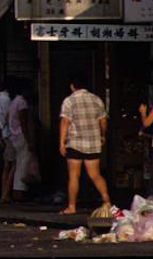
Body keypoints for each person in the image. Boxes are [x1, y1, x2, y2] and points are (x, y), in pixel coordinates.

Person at [59, 77, 111, 215]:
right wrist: (102, 135)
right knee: (95, 174)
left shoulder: (69, 101)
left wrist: (61, 142)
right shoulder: (96, 100)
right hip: (93, 143)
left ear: (72, 86)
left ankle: (71, 206)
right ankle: (107, 201)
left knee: (74, 175)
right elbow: (103, 121)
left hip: (75, 143)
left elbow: (65, 122)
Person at [7, 82, 36, 202]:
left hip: (14, 136)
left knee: (18, 164)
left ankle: (16, 191)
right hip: (22, 136)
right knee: (22, 164)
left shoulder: (13, 102)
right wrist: (29, 140)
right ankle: (19, 191)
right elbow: (24, 123)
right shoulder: (22, 103)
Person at [0, 78, 16, 204]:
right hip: (7, 135)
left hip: (3, 135)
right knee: (11, 164)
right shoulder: (7, 100)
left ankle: (5, 192)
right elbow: (9, 118)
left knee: (7, 165)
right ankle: (6, 193)